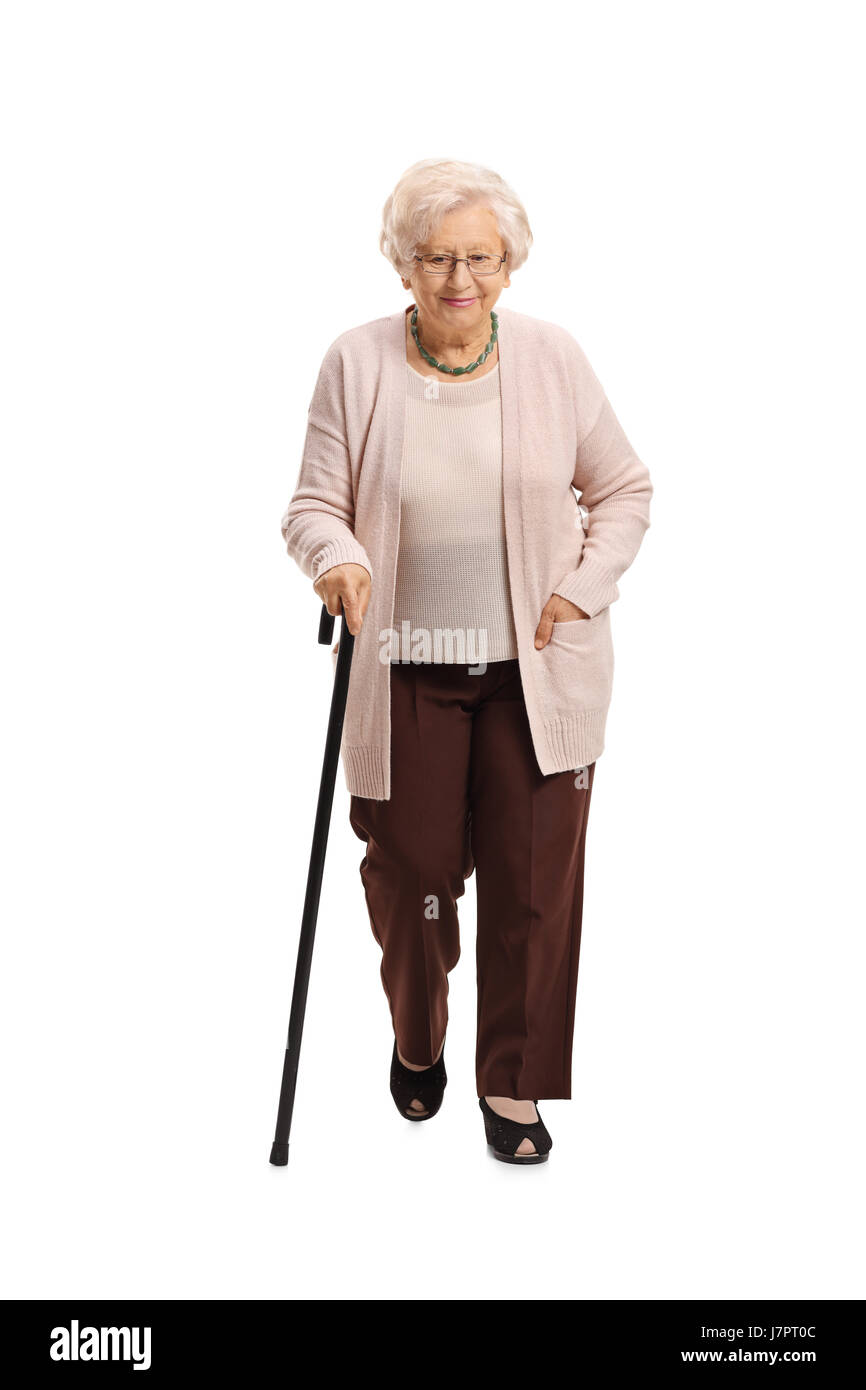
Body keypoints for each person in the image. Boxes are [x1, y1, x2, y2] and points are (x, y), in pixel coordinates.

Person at [281, 157, 652, 1165]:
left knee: (534, 887)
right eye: (437, 257)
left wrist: (583, 584)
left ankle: (512, 1081)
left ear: (508, 264)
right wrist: (341, 558)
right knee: (414, 872)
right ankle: (418, 1024)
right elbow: (313, 505)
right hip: (405, 662)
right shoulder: (356, 363)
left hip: (538, 671)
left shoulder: (551, 358)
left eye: (479, 258)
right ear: (402, 264)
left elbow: (620, 487)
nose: (459, 278)